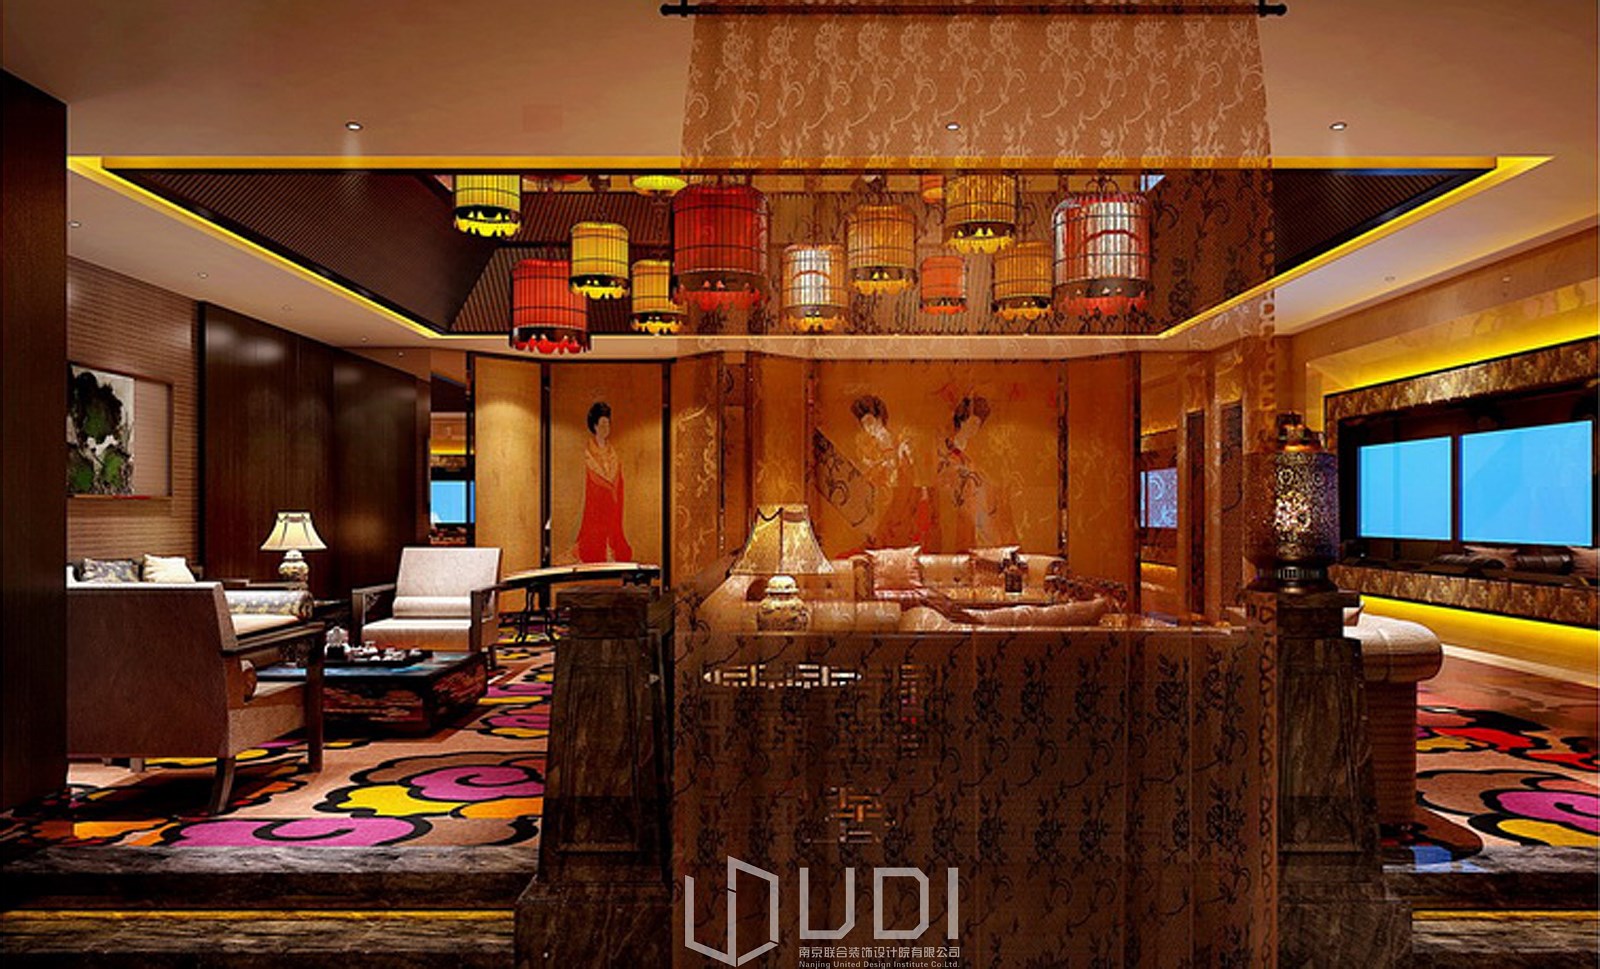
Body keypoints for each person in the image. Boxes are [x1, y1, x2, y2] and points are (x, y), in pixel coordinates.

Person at [850, 395, 934, 548]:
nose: (868, 428)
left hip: (899, 501)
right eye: (864, 424)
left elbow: (908, 478)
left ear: (879, 418)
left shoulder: (898, 442)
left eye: (870, 421)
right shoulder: (871, 447)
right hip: (881, 502)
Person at [936, 395, 1016, 552]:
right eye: (972, 423)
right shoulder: (946, 446)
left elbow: (986, 475)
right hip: (957, 505)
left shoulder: (977, 450)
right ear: (962, 421)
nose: (975, 428)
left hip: (977, 501)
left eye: (978, 425)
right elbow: (941, 477)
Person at [571, 401, 633, 563]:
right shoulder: (587, 453)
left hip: (613, 504)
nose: (606, 428)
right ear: (595, 426)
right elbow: (587, 481)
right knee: (594, 542)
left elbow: (619, 480)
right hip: (595, 506)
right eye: (602, 424)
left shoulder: (614, 453)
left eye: (608, 424)